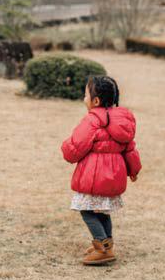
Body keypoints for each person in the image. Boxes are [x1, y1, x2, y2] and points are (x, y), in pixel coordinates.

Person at [61, 75, 142, 265]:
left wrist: (66, 149)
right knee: (103, 212)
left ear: (95, 101)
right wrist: (134, 169)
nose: (84, 99)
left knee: (86, 210)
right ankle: (107, 244)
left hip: (94, 175)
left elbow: (75, 146)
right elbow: (130, 148)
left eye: (85, 95)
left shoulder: (92, 120)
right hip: (114, 175)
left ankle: (102, 248)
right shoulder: (122, 121)